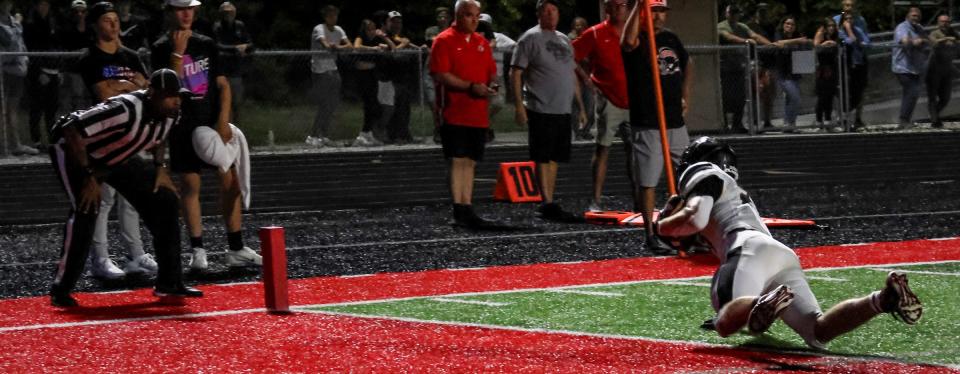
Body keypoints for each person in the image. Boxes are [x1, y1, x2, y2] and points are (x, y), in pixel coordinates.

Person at [655, 136, 923, 349]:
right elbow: (691, 237)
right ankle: (883, 299)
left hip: (746, 248)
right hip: (779, 254)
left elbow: (695, 219)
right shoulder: (733, 191)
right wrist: (673, 219)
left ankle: (761, 302)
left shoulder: (700, 171)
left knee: (725, 323)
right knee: (818, 331)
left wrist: (661, 224)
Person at [48, 68, 203, 307]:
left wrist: (160, 168)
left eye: (178, 95)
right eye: (170, 95)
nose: (176, 101)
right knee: (86, 210)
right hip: (76, 152)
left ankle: (169, 282)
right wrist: (89, 176)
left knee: (165, 200)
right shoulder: (125, 108)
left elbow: (160, 138)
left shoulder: (172, 113)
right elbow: (71, 128)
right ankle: (62, 288)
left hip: (115, 156)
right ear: (152, 94)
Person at [151, 0, 261, 272]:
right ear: (170, 12)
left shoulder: (206, 43)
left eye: (190, 8)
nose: (186, 14)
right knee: (190, 186)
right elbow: (169, 89)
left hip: (210, 123)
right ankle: (197, 249)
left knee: (231, 181)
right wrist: (177, 53)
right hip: (181, 126)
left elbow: (222, 86)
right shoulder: (160, 47)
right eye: (180, 9)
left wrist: (223, 120)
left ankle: (235, 246)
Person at [75, 1, 154, 279]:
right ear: (96, 25)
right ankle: (101, 259)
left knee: (131, 198)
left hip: (130, 134)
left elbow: (147, 88)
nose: (114, 24)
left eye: (115, 19)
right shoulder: (90, 58)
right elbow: (103, 94)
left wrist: (124, 87)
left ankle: (136, 255)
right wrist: (130, 86)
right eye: (107, 20)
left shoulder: (131, 55)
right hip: (103, 135)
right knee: (104, 198)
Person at [621, 0, 692, 254]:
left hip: (674, 119)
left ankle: (685, 228)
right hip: (649, 120)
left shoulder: (671, 39)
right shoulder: (638, 38)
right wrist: (637, 7)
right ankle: (650, 234)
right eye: (654, 10)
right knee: (649, 179)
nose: (659, 16)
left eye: (661, 11)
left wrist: (685, 94)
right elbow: (627, 43)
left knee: (688, 174)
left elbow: (687, 63)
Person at [511, 0, 586, 223]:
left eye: (554, 10)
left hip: (562, 108)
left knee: (554, 156)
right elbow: (515, 73)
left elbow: (571, 74)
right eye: (546, 11)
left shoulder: (564, 40)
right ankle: (546, 201)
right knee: (543, 156)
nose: (550, 14)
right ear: (538, 14)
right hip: (541, 106)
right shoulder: (530, 38)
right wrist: (518, 106)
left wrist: (580, 106)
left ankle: (549, 200)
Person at [430, 0, 498, 228]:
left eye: (477, 15)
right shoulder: (444, 40)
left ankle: (467, 206)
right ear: (458, 15)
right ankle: (458, 208)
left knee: (470, 161)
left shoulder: (481, 42)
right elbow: (441, 74)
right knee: (458, 159)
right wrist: (470, 87)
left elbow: (491, 73)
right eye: (469, 15)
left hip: (477, 112)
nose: (474, 20)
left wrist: (492, 86)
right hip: (455, 110)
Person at [572, 0, 630, 212]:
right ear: (606, 8)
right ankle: (595, 199)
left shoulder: (635, 31)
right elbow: (572, 55)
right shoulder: (594, 33)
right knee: (603, 147)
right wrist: (587, 79)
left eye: (622, 4)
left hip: (633, 100)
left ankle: (639, 199)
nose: (618, 8)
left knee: (635, 150)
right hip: (608, 101)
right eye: (614, 5)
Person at [717, 4, 770, 133]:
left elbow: (755, 36)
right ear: (727, 13)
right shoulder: (721, 26)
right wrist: (745, 41)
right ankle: (724, 126)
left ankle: (737, 124)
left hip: (739, 67)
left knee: (741, 97)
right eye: (732, 13)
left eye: (737, 13)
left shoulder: (742, 26)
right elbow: (728, 36)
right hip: (725, 68)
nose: (735, 16)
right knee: (725, 97)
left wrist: (770, 44)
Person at [307, 5, 350, 147]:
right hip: (319, 70)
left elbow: (349, 45)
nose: (333, 18)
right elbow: (325, 45)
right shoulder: (319, 29)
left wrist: (337, 47)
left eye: (335, 15)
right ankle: (313, 135)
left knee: (332, 104)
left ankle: (323, 134)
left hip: (333, 68)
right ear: (325, 17)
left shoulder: (338, 30)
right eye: (330, 15)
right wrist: (333, 47)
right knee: (324, 104)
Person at [0, 0, 38, 156]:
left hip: (17, 71)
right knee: (1, 109)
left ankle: (15, 144)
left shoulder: (12, 20)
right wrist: (17, 25)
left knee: (12, 110)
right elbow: (9, 43)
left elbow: (20, 44)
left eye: (8, 3)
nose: (6, 5)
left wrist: (26, 59)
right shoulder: (11, 23)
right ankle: (3, 146)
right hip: (3, 70)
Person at [22, 0, 59, 151]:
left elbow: (58, 47)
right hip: (38, 72)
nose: (44, 7)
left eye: (47, 5)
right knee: (36, 107)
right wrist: (39, 72)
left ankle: (52, 140)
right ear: (36, 6)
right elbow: (30, 49)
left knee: (52, 109)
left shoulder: (53, 22)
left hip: (54, 71)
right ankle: (36, 141)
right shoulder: (30, 24)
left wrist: (59, 69)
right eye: (41, 4)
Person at [352, 19, 393, 147]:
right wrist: (373, 49)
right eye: (369, 29)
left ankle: (367, 133)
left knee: (374, 106)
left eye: (373, 28)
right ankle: (363, 135)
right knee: (369, 104)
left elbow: (392, 48)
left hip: (372, 75)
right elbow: (357, 47)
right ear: (364, 30)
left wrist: (384, 38)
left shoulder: (377, 39)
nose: (372, 31)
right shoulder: (361, 38)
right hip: (362, 76)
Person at [211, 1, 252, 123]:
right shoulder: (217, 27)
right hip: (222, 71)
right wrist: (236, 48)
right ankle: (222, 127)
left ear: (234, 13)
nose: (228, 14)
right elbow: (216, 45)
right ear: (221, 14)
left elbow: (250, 44)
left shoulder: (240, 26)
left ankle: (236, 130)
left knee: (236, 103)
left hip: (236, 71)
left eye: (230, 12)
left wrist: (245, 47)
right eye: (225, 12)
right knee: (222, 102)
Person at [382, 10, 418, 144]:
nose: (397, 24)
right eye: (393, 21)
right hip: (389, 77)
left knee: (404, 107)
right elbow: (394, 55)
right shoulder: (384, 36)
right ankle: (392, 134)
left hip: (405, 77)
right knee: (391, 107)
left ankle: (403, 133)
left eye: (399, 22)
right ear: (387, 23)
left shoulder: (404, 36)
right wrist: (400, 50)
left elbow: (411, 52)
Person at [834, 0, 869, 130]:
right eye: (847, 5)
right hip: (842, 61)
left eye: (852, 6)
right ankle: (841, 117)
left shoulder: (861, 20)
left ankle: (857, 118)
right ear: (842, 6)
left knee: (859, 89)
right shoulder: (836, 20)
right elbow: (837, 38)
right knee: (841, 89)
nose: (849, 8)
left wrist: (859, 40)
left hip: (859, 59)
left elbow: (866, 40)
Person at [771, 15, 810, 132]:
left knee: (790, 99)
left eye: (792, 24)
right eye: (787, 24)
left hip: (795, 72)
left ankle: (790, 124)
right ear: (783, 25)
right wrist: (797, 41)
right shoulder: (778, 34)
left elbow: (806, 43)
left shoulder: (798, 34)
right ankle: (789, 123)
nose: (790, 26)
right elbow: (779, 42)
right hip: (783, 73)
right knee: (796, 98)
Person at [892, 7, 928, 130]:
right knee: (912, 91)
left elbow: (926, 40)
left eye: (917, 16)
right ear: (908, 16)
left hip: (916, 67)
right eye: (913, 15)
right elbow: (905, 41)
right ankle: (903, 120)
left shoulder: (920, 28)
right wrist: (914, 41)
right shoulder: (902, 27)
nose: (915, 18)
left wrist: (922, 41)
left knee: (913, 93)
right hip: (902, 66)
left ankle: (906, 119)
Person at [747, 3, 777, 130]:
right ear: (756, 13)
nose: (763, 13)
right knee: (755, 94)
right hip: (755, 63)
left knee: (768, 95)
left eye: (765, 11)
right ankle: (754, 121)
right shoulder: (750, 26)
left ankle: (767, 121)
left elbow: (774, 43)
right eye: (761, 11)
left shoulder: (770, 27)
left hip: (768, 64)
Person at [59, 0, 92, 115]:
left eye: (82, 11)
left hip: (89, 70)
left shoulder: (91, 28)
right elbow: (64, 48)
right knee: (76, 97)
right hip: (74, 69)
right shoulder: (67, 28)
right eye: (77, 12)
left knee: (88, 99)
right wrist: (78, 52)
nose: (80, 14)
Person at [927, 14, 958, 129]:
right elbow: (933, 43)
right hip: (934, 68)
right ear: (938, 23)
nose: (945, 24)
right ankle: (934, 120)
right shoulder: (934, 33)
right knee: (932, 95)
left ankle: (934, 114)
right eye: (942, 21)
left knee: (945, 97)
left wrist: (954, 40)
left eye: (947, 22)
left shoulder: (953, 33)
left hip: (947, 67)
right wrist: (946, 39)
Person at [568, 15, 594, 140]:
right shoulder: (570, 40)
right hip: (575, 77)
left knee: (590, 105)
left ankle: (586, 130)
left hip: (588, 77)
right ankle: (577, 131)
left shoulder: (589, 38)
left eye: (581, 25)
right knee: (576, 105)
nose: (578, 27)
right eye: (576, 25)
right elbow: (573, 61)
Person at [813, 17, 841, 132]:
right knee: (822, 96)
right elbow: (816, 47)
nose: (831, 28)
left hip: (833, 68)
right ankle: (819, 121)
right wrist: (825, 43)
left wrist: (835, 43)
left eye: (833, 26)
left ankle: (828, 120)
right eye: (829, 26)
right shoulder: (821, 34)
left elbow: (841, 45)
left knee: (830, 95)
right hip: (823, 69)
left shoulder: (836, 36)